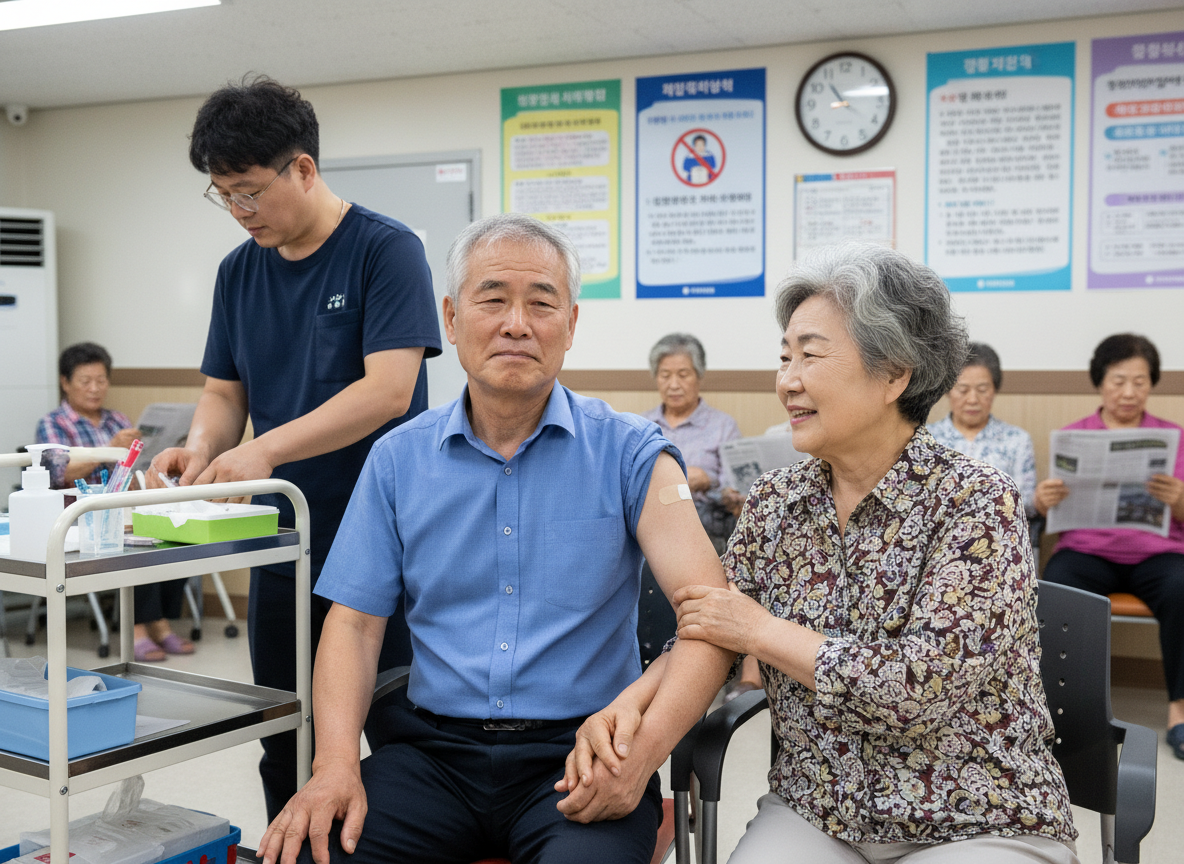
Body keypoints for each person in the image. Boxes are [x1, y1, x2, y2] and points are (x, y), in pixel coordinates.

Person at [256, 214, 733, 864]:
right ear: (451, 320)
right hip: (430, 757)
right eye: (493, 300)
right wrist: (335, 762)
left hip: (581, 752)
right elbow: (355, 625)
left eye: (541, 303)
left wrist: (643, 755)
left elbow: (710, 624)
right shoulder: (397, 460)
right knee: (310, 853)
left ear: (570, 325)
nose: (516, 324)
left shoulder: (631, 454)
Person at [618, 243, 1078, 862]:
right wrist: (626, 709)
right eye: (784, 357)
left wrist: (762, 631)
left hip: (974, 812)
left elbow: (917, 687)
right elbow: (711, 633)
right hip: (819, 807)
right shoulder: (776, 501)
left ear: (895, 374)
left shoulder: (975, 501)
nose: (787, 381)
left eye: (810, 355)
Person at [149, 75, 441, 819]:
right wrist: (201, 448)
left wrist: (265, 452)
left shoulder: (386, 250)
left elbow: (389, 390)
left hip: (386, 541)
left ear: (303, 169)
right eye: (223, 195)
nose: (239, 212)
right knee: (284, 733)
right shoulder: (238, 272)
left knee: (400, 733)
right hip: (282, 542)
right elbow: (225, 394)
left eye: (249, 192)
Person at [1037, 333, 1184, 761]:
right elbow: (1049, 512)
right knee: (1058, 585)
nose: (1128, 392)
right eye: (1119, 381)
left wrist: (1178, 499)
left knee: (1182, 587)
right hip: (1087, 551)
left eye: (1140, 382)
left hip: (1158, 554)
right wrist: (1044, 502)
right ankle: (1062, 712)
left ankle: (1179, 710)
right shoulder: (1074, 436)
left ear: (1151, 385)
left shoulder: (1172, 436)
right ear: (1100, 382)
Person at [36, 343, 189, 663]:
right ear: (65, 382)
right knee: (134, 542)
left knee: (173, 529)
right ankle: (140, 627)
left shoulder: (117, 419)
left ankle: (159, 619)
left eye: (101, 380)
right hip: (77, 513)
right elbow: (56, 474)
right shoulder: (53, 424)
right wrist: (109, 449)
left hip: (123, 504)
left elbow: (133, 465)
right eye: (85, 381)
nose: (95, 388)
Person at [642, 333, 741, 553]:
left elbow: (733, 489)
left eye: (683, 375)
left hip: (705, 525)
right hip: (651, 522)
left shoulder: (723, 426)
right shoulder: (641, 426)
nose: (673, 385)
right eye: (665, 375)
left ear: (699, 375)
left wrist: (708, 481)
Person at [928, 342, 1037, 516]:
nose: (972, 399)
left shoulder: (1017, 440)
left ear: (994, 390)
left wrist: (1040, 501)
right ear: (948, 390)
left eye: (982, 389)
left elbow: (1027, 505)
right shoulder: (926, 440)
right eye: (963, 389)